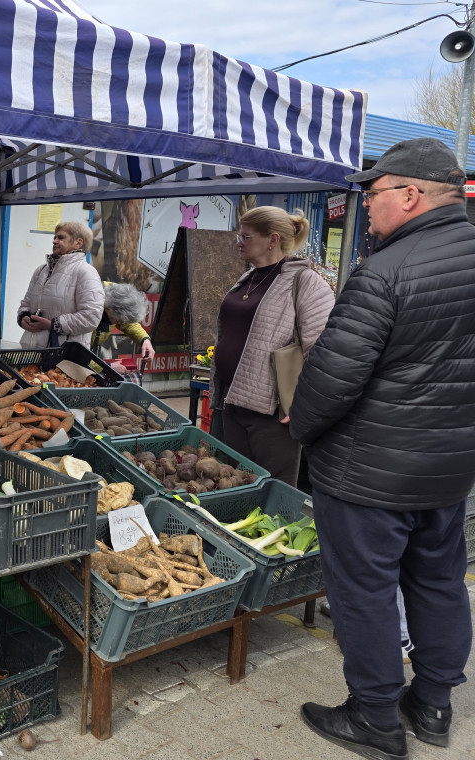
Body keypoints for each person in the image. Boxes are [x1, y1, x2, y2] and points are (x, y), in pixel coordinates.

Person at [290, 137, 475, 759]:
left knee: (365, 591)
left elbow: (329, 380)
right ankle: (433, 706)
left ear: (411, 194)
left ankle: (374, 718)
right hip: (448, 470)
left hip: (369, 473)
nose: (365, 205)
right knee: (440, 581)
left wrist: (302, 431)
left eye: (373, 193)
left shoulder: (386, 270)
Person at [209, 206, 334, 486]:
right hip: (232, 402)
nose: (239, 242)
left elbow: (323, 350)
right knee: (234, 484)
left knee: (272, 490)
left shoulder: (306, 283)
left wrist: (306, 404)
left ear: (272, 240)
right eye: (239, 236)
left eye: (246, 237)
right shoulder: (248, 278)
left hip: (272, 415)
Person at [17, 221, 104, 349]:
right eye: (55, 237)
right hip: (31, 351)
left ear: (78, 243)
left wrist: (53, 325)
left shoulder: (86, 272)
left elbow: (91, 317)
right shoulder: (41, 270)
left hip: (64, 355)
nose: (55, 241)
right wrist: (24, 317)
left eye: (61, 237)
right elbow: (26, 303)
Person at [92, 282, 157, 362]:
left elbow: (128, 323)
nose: (122, 324)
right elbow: (80, 354)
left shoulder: (119, 294)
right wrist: (109, 366)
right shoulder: (90, 308)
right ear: (108, 309)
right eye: (119, 321)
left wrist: (144, 339)